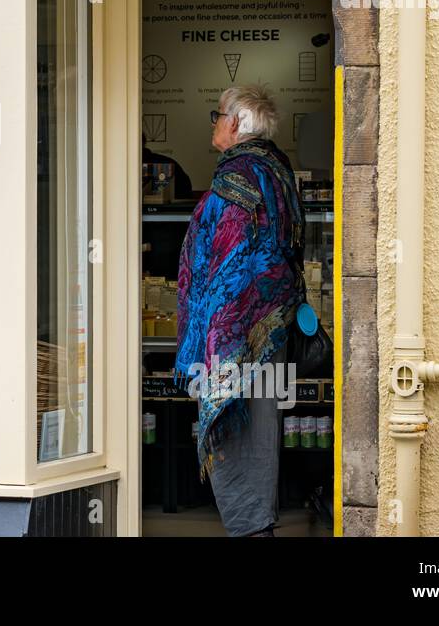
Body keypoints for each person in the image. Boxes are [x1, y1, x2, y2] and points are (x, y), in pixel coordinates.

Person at [173, 84, 305, 537]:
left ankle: (252, 530)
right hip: (270, 329)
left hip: (238, 336)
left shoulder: (239, 179)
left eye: (217, 115)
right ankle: (257, 525)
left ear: (234, 123)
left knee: (237, 431)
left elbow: (229, 267)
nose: (213, 124)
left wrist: (217, 340)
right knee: (260, 432)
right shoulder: (275, 168)